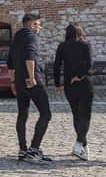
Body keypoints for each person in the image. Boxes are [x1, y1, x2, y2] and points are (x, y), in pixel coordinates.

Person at [8, 13, 53, 163]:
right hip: (31, 81)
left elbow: (10, 63)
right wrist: (32, 77)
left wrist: (13, 82)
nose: (39, 27)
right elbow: (30, 57)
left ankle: (22, 150)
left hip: (20, 83)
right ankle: (34, 150)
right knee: (46, 113)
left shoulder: (16, 39)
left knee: (23, 114)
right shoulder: (31, 37)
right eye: (38, 24)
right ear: (32, 24)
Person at [54, 23, 94, 161]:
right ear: (80, 32)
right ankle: (80, 143)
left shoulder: (62, 47)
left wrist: (57, 84)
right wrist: (80, 75)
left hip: (68, 84)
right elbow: (88, 63)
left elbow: (57, 65)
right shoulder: (85, 45)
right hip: (84, 83)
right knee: (85, 114)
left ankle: (81, 144)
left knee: (76, 113)